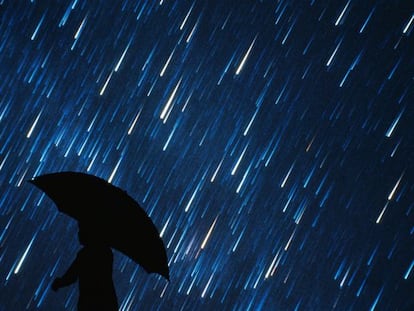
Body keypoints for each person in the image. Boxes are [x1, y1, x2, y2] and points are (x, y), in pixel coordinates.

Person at [51, 225, 119, 310]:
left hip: (90, 302)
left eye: (81, 230)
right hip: (107, 301)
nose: (78, 234)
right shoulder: (106, 252)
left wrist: (59, 283)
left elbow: (72, 275)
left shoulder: (85, 254)